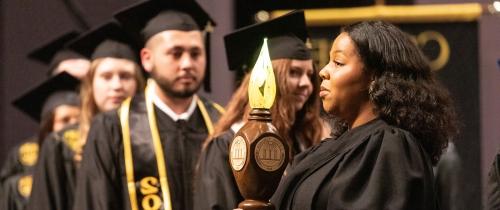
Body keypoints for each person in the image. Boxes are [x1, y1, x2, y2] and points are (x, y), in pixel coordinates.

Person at [270, 20, 458, 210]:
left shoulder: (392, 148)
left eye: (338, 62)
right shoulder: (332, 147)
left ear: (375, 77)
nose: (323, 71)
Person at [73, 1, 223, 210]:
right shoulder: (113, 128)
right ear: (147, 59)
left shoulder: (223, 125)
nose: (188, 63)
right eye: (176, 53)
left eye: (196, 53)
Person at [193, 10, 324, 210]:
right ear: (265, 81)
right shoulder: (228, 146)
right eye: (294, 73)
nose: (306, 84)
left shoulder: (307, 142)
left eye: (310, 75)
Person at [26, 21, 145, 210]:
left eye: (125, 76)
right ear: (91, 85)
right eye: (106, 76)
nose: (116, 86)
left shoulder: (154, 139)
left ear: (139, 84)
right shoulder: (61, 145)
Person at [0, 72, 81, 210]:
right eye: (65, 120)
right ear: (49, 125)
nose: (73, 125)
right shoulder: (22, 156)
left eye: (79, 119)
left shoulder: (91, 153)